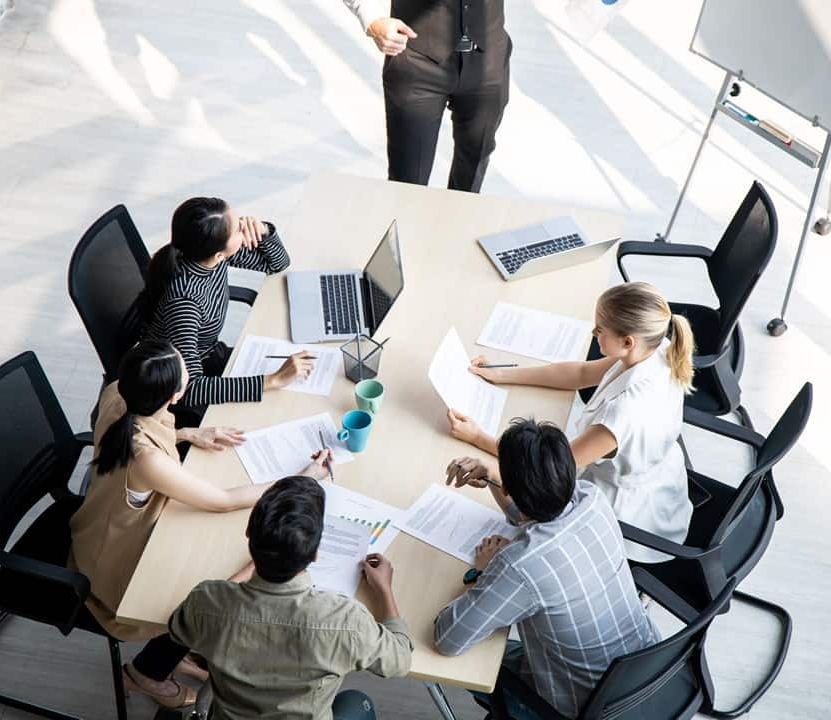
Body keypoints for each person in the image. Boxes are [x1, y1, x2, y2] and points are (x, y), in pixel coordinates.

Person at [68, 340, 332, 709]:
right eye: (183, 366)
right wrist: (302, 480)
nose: (187, 364)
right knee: (221, 586)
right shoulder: (146, 459)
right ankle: (147, 673)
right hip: (118, 565)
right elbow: (221, 501)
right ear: (175, 395)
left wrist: (186, 434)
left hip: (99, 527)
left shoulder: (117, 392)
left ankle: (178, 654)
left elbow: (138, 436)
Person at [446, 282, 695, 563]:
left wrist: (478, 438)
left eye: (600, 329)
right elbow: (578, 374)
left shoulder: (621, 416)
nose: (593, 333)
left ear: (627, 341)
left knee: (521, 513)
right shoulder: (654, 348)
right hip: (655, 479)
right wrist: (501, 374)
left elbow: (545, 471)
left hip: (624, 516)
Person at [435, 419, 656, 719]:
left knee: (473, 661)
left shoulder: (519, 565)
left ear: (512, 489)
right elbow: (538, 513)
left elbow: (449, 639)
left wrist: (481, 572)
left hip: (578, 709)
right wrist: (491, 477)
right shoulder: (591, 498)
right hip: (649, 676)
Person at [168, 475, 413, 720]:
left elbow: (178, 630)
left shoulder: (207, 601)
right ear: (316, 554)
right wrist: (384, 590)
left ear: (248, 534)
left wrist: (244, 573)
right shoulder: (346, 623)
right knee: (357, 702)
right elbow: (400, 660)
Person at [139, 196, 313, 425]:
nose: (244, 226)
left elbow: (276, 264)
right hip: (189, 385)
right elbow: (190, 389)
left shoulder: (206, 254)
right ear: (219, 254)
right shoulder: (184, 303)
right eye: (239, 229)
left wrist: (264, 230)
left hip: (212, 355)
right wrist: (273, 380)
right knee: (277, 408)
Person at [342, 0, 512, 193]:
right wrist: (372, 19)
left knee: (472, 176)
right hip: (417, 62)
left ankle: (458, 222)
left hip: (488, 62)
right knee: (407, 185)